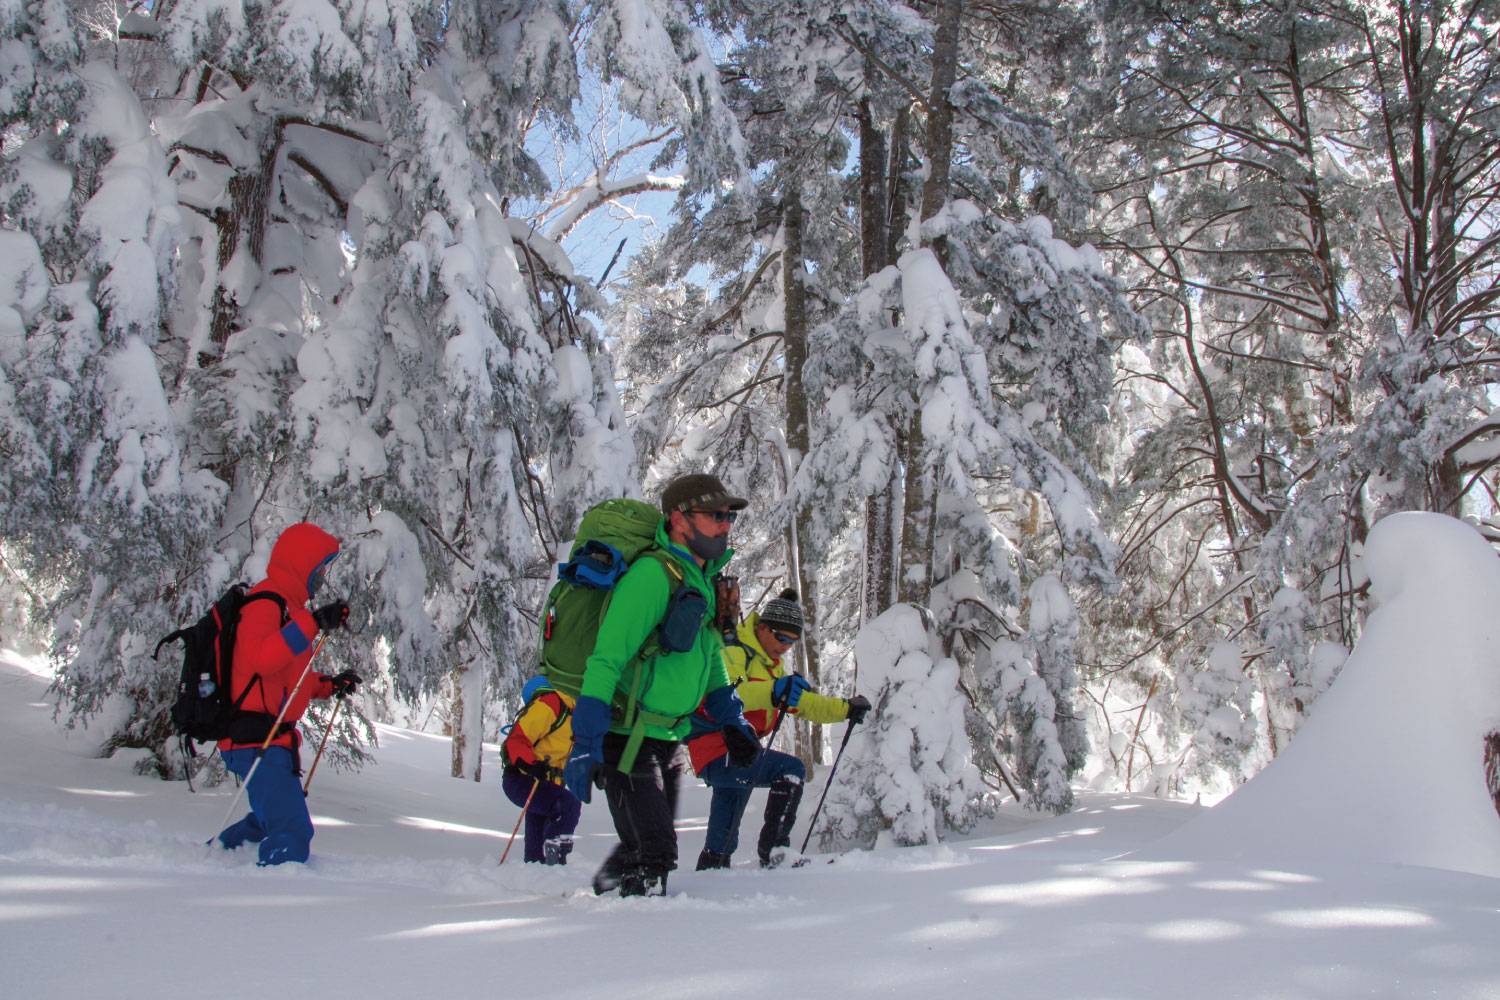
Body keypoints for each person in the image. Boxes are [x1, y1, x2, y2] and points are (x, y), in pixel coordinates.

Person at [563, 473, 760, 897]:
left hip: (668, 738)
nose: (725, 525)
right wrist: (586, 740)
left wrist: (732, 719)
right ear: (679, 519)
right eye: (715, 515)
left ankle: (602, 901)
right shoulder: (652, 576)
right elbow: (607, 658)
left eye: (729, 516)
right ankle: (632, 929)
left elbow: (709, 658)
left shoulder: (701, 579)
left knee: (640, 847)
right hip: (626, 736)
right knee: (655, 851)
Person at [686, 589, 872, 870]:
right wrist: (773, 691)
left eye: (792, 641)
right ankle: (775, 851)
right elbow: (725, 695)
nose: (786, 647)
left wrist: (845, 708)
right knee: (790, 770)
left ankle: (712, 870)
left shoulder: (770, 668)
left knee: (723, 834)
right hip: (717, 749)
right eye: (782, 638)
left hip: (739, 752)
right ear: (763, 628)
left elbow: (805, 704)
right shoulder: (735, 651)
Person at [216, 521, 361, 866]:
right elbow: (261, 660)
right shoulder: (265, 603)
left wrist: (330, 685)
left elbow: (290, 681)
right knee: (291, 831)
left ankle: (217, 857)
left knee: (269, 820)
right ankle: (274, 886)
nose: (322, 577)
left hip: (273, 740)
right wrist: (312, 623)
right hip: (253, 737)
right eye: (319, 568)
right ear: (301, 564)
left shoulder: (290, 610)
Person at [501, 676, 581, 864]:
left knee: (536, 848)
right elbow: (517, 740)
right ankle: (555, 854)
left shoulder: (572, 713)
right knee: (567, 804)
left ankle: (537, 868)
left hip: (542, 783)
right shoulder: (550, 704)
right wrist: (530, 764)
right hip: (524, 779)